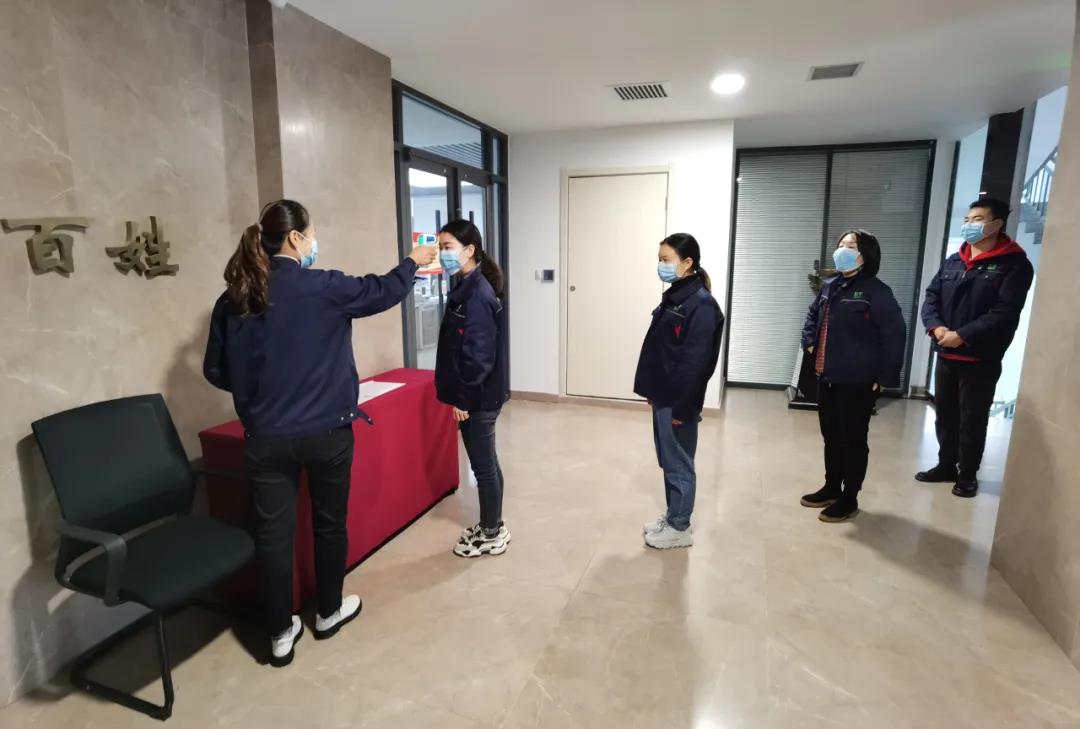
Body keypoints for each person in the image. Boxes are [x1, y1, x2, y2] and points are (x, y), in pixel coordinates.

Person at [202, 199, 437, 667]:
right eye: (309, 234)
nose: (313, 242)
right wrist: (412, 262)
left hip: (266, 437)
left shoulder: (234, 298)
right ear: (295, 238)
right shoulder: (323, 287)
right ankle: (328, 613)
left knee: (273, 536)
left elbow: (216, 370)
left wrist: (258, 392)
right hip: (328, 433)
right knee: (329, 523)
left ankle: (279, 633)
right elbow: (382, 291)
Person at [917, 197, 1034, 498]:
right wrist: (937, 328)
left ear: (997, 224)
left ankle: (967, 473)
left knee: (972, 418)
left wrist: (963, 335)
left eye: (977, 219)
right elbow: (931, 298)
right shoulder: (955, 260)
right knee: (945, 415)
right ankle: (946, 465)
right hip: (946, 352)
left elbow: (1005, 312)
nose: (969, 225)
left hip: (980, 357)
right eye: (967, 219)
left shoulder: (1014, 264)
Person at [799, 230, 907, 522]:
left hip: (858, 380)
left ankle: (849, 497)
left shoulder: (876, 291)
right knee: (831, 436)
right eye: (841, 244)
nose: (842, 250)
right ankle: (831, 487)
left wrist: (885, 375)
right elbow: (812, 316)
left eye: (851, 246)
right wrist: (809, 342)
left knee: (853, 439)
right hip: (827, 374)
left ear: (865, 255)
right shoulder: (830, 285)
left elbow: (895, 334)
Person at [634, 233, 724, 549]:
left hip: (678, 401)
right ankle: (673, 515)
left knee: (679, 463)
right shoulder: (677, 297)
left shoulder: (701, 305)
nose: (661, 265)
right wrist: (653, 389)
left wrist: (682, 408)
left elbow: (696, 364)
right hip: (664, 395)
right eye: (659, 259)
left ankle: (680, 527)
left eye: (666, 259)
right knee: (668, 459)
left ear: (687, 262)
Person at [433, 220, 511, 558]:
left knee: (482, 466)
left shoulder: (477, 294)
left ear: (469, 251)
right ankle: (494, 523)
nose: (443, 253)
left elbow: (479, 356)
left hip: (477, 397)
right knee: (487, 461)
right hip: (479, 394)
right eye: (441, 247)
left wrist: (462, 399)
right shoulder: (468, 285)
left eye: (448, 247)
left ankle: (492, 532)